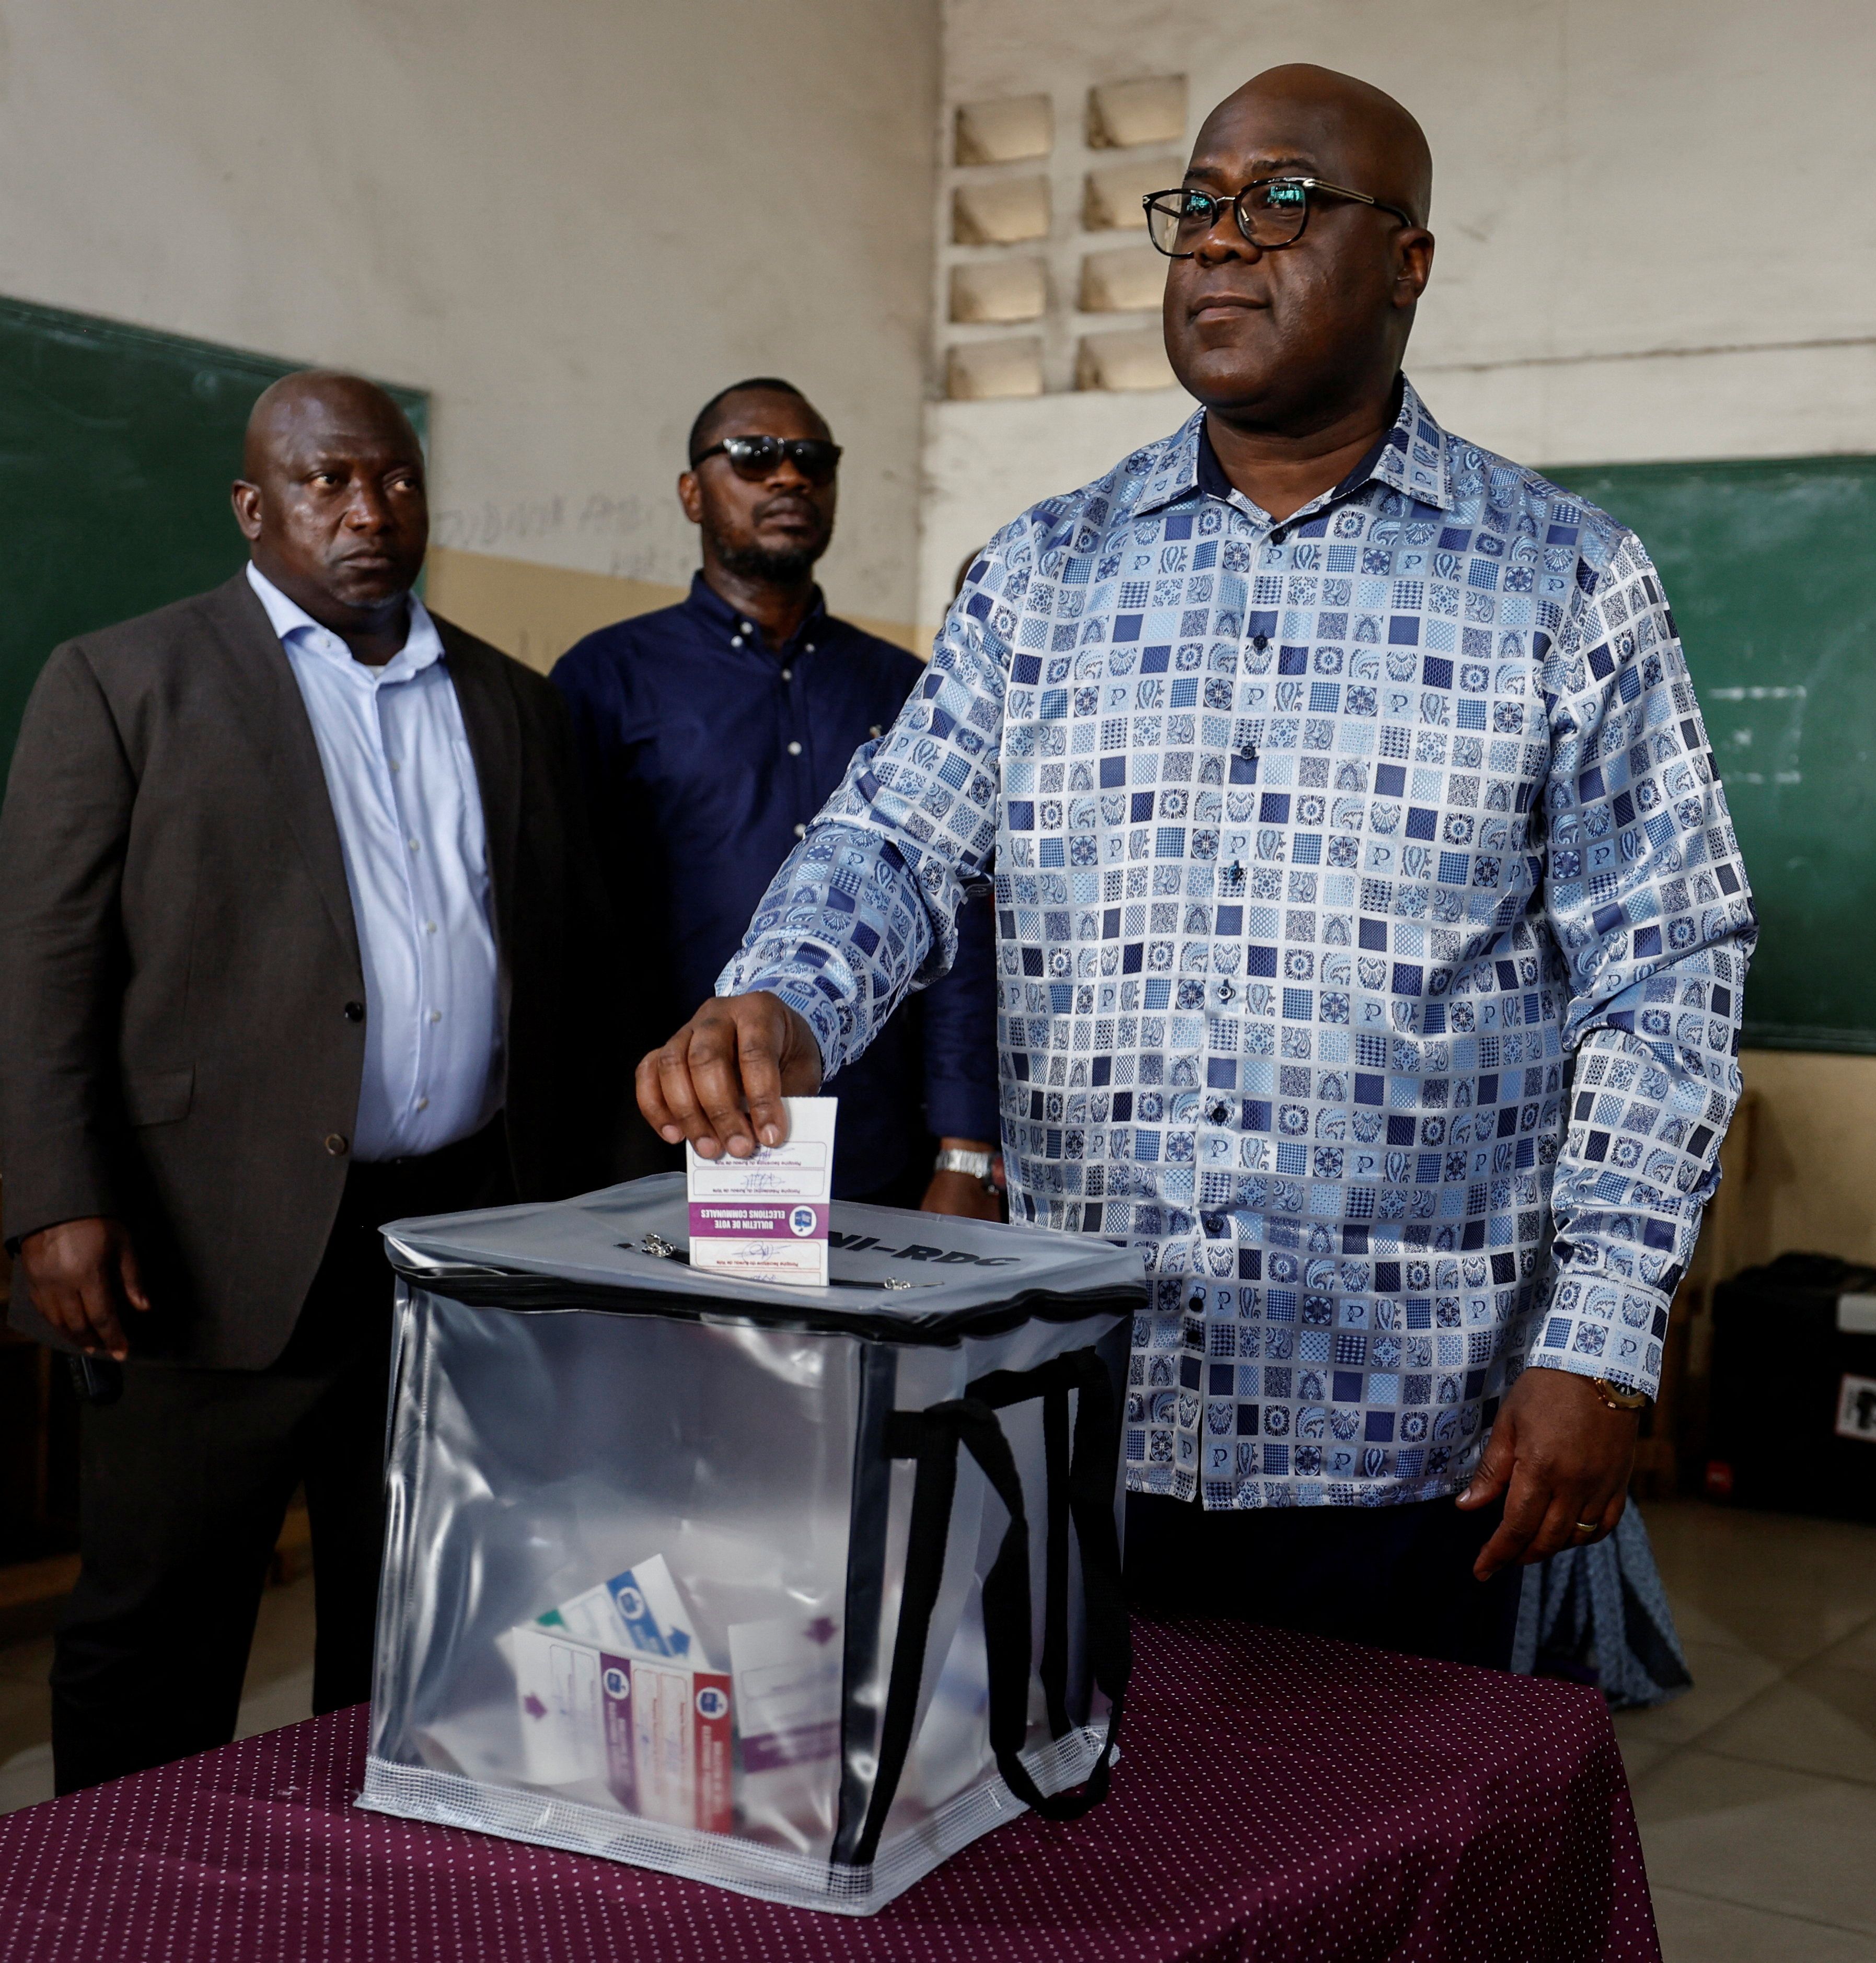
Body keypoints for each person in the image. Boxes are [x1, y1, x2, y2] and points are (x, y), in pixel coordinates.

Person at [636, 65, 1756, 1668]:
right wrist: (781, 1000)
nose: (1226, 244)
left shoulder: (1565, 581)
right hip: (1081, 1401)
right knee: (1089, 1875)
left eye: (1286, 204)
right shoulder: (1045, 569)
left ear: (1408, 263)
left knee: (1380, 1887)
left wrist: (1603, 1334)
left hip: (1419, 1441)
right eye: (1201, 206)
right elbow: (893, 838)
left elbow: (1669, 971)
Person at [0, 372, 612, 1790]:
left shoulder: (515, 706)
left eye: (393, 480)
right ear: (253, 502)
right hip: (203, 1241)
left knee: (422, 1618)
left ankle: (368, 1892)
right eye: (327, 481)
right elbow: (45, 962)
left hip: (453, 1243)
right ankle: (125, 1905)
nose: (367, 509)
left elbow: (566, 979)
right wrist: (55, 1197)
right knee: (159, 1626)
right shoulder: (126, 678)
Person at [554, 379, 1000, 1212]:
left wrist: (964, 1146)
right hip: (673, 1144)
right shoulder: (606, 679)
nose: (789, 477)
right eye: (757, 457)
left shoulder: (910, 687)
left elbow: (961, 926)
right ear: (693, 492)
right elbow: (570, 933)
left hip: (881, 1146)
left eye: (813, 460)